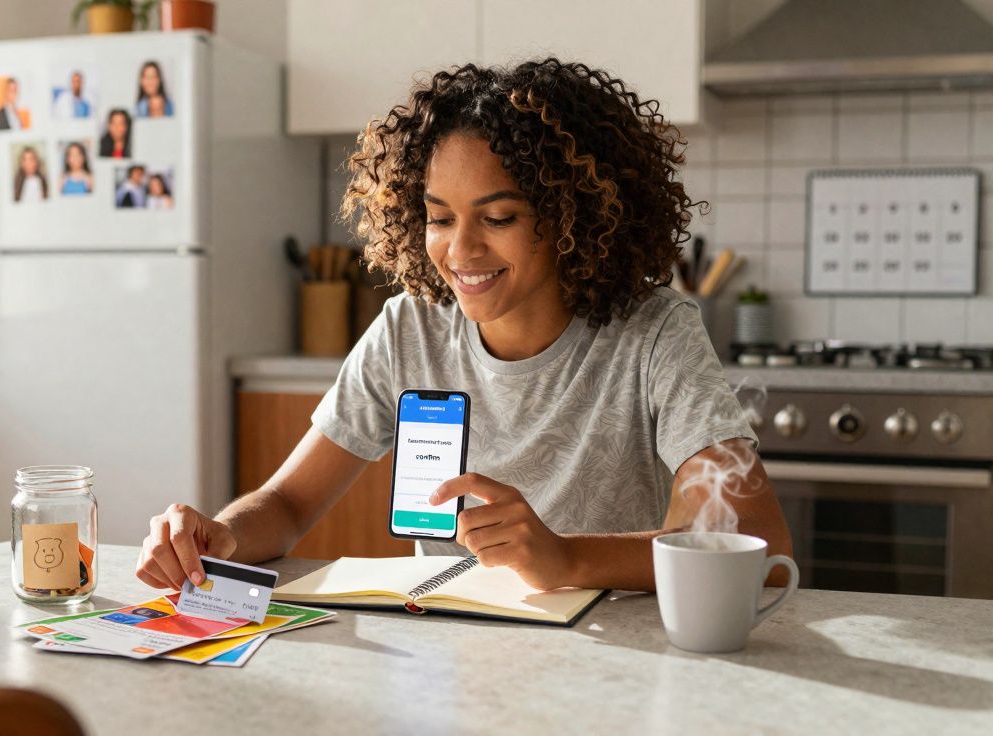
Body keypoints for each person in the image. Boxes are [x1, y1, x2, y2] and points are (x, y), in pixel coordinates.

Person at [135, 58, 793, 594]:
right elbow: (284, 507)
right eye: (440, 218)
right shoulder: (408, 332)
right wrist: (220, 533)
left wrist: (566, 559)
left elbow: (759, 548)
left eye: (498, 217)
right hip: (447, 659)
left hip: (612, 659)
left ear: (572, 217)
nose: (460, 251)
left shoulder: (652, 333)